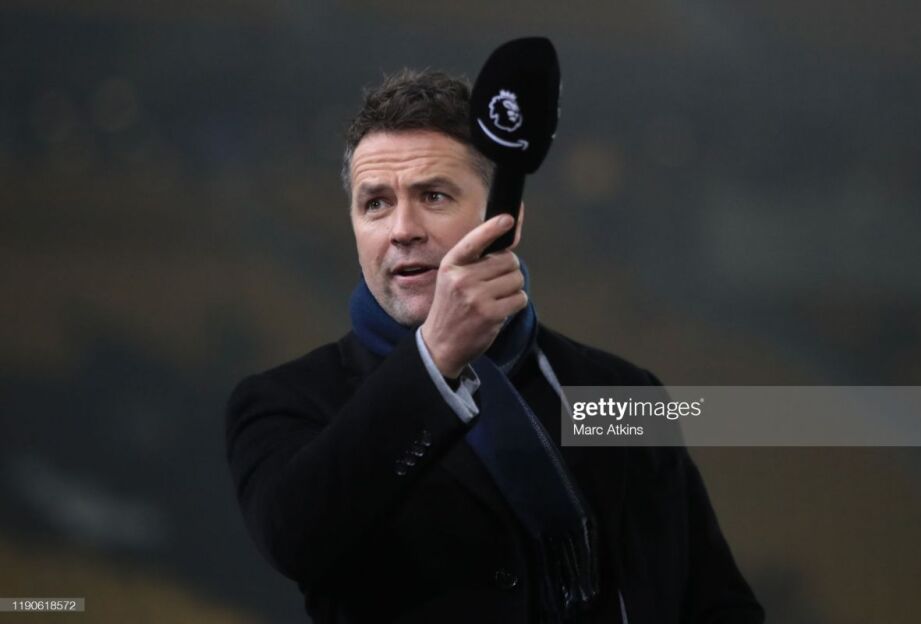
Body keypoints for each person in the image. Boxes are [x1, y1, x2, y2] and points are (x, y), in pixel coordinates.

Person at [226, 69, 764, 624]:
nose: (402, 229)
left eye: (433, 196)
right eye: (376, 204)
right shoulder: (287, 400)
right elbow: (296, 539)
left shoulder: (621, 391)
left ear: (507, 222)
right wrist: (435, 359)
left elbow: (715, 602)